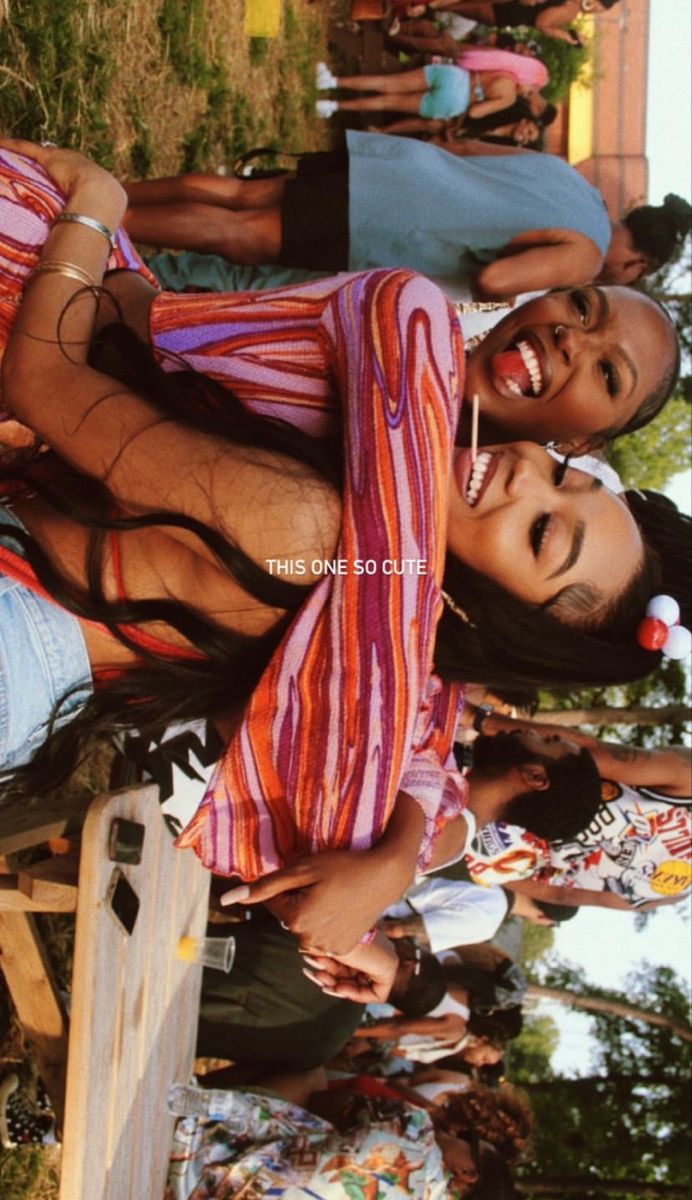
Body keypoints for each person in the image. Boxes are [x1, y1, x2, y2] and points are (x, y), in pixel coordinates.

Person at [0, 142, 686, 957]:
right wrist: (399, 855)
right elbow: (423, 756)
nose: (522, 481)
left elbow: (43, 382)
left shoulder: (342, 543)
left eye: (542, 534)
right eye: (564, 481)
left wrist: (95, 203)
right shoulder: (390, 568)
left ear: (501, 616)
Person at [122, 133, 614, 298]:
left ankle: (116, 195)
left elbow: (463, 146)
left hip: (400, 166)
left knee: (242, 194)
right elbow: (496, 278)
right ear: (637, 263)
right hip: (398, 224)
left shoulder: (566, 174)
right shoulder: (589, 256)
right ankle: (108, 221)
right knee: (242, 235)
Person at [460, 708, 692, 910]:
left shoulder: (687, 776)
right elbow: (561, 894)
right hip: (484, 851)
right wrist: (481, 867)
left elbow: (584, 750)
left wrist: (473, 716)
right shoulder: (675, 891)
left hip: (491, 780)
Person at [164, 1068, 516, 1198]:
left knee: (319, 1121)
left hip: (219, 1153)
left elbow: (329, 1099)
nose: (454, 1133)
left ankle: (215, 1108)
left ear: (468, 1174)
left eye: (467, 1141)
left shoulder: (418, 1129)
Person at [313, 47, 548, 131]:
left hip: (453, 76)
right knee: (387, 102)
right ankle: (332, 106)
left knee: (387, 83)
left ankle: (331, 81)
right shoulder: (508, 97)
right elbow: (476, 113)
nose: (527, 94)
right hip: (454, 102)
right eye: (532, 90)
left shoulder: (505, 67)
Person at [406, 1, 621, 47]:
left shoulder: (572, 10)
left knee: (457, 5)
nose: (596, 13)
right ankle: (422, 7)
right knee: (456, 5)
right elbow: (542, 23)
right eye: (600, 10)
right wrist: (563, 36)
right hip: (509, 12)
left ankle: (422, 7)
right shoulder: (571, 12)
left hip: (508, 10)